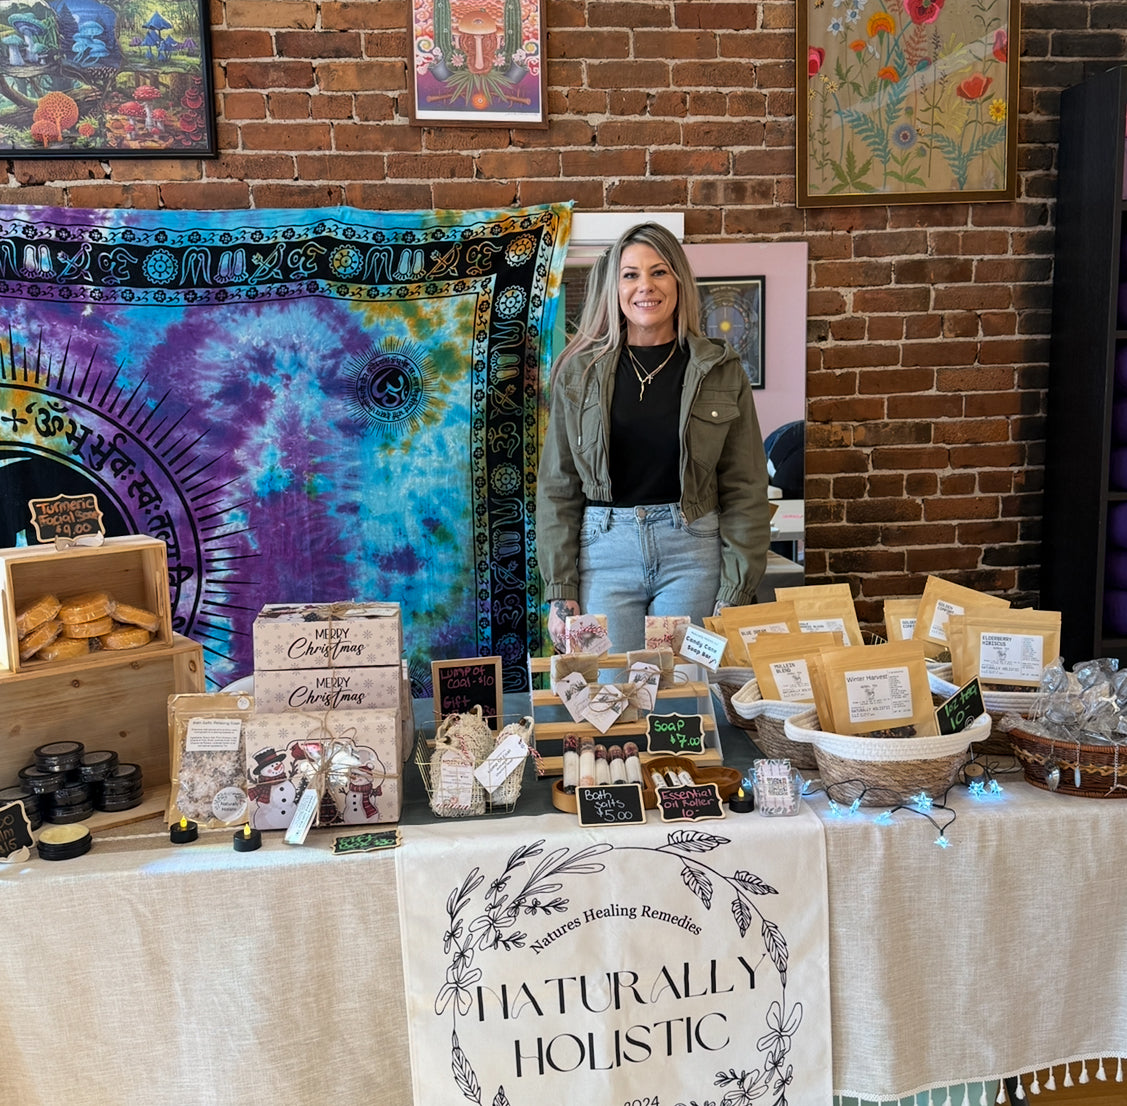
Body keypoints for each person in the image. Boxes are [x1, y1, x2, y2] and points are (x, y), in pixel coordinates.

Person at [536, 222, 772, 652]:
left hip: (693, 554)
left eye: (659, 271)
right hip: (604, 556)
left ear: (678, 281)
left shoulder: (721, 371)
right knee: (608, 686)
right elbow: (558, 487)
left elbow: (745, 487)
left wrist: (735, 589)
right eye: (631, 274)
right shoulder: (580, 373)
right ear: (615, 287)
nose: (645, 285)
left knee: (684, 686)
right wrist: (560, 591)